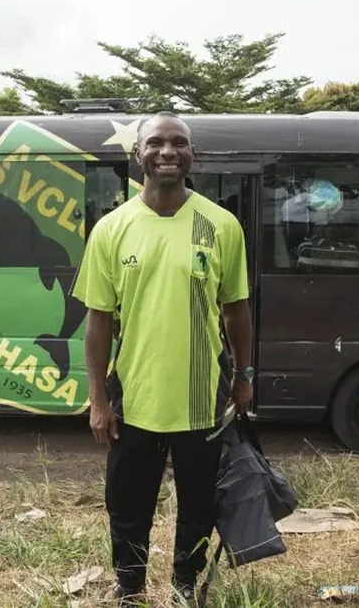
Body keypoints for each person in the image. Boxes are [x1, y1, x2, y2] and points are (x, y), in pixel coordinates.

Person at [72, 112, 254, 606]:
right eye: (156, 142)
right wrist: (97, 399)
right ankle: (129, 589)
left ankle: (183, 588)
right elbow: (99, 323)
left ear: (192, 155)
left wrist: (244, 375)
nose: (168, 151)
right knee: (127, 507)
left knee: (197, 508)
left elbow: (237, 310)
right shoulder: (112, 229)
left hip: (201, 401)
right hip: (134, 399)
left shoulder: (221, 225)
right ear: (139, 154)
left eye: (179, 143)